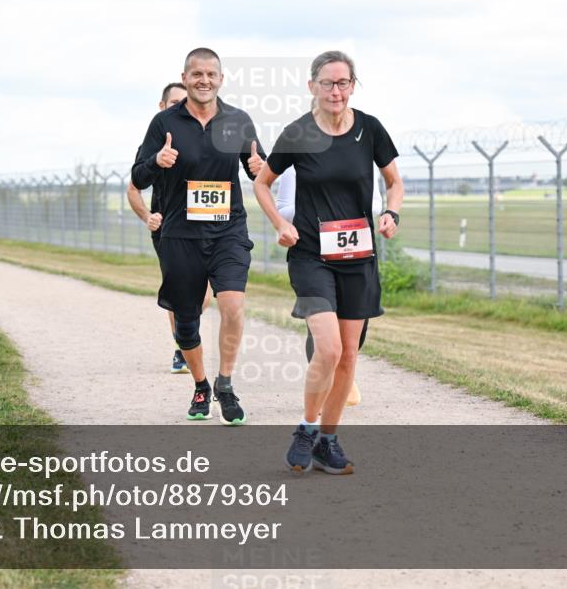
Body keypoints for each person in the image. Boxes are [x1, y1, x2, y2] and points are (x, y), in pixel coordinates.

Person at [253, 50, 403, 474]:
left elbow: (394, 182)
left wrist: (391, 213)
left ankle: (328, 442)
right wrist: (280, 222)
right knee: (329, 347)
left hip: (358, 257)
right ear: (312, 87)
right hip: (311, 255)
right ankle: (306, 428)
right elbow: (264, 183)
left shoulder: (370, 129)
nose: (335, 91)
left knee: (348, 357)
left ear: (353, 85)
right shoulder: (298, 133)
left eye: (342, 83)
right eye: (327, 83)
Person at [132, 48, 265, 425]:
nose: (204, 80)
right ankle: (201, 384)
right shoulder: (164, 123)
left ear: (221, 79)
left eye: (211, 74)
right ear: (185, 77)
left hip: (228, 231)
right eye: (196, 74)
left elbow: (260, 172)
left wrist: (260, 168)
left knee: (233, 306)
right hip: (181, 234)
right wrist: (156, 163)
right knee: (186, 320)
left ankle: (225, 383)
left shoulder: (238, 121)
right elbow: (138, 177)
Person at [276, 164, 380, 408]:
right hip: (313, 255)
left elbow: (375, 205)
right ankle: (326, 381)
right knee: (324, 328)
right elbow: (283, 210)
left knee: (353, 333)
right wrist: (318, 202)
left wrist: (341, 201)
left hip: (355, 254)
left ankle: (345, 370)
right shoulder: (296, 165)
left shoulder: (364, 160)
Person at [127, 81, 213, 375]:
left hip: (206, 226)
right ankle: (182, 347)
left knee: (204, 295)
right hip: (169, 227)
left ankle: (186, 335)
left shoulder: (202, 137)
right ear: (163, 107)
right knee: (180, 290)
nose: (182, 107)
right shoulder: (154, 141)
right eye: (175, 103)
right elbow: (133, 188)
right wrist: (146, 216)